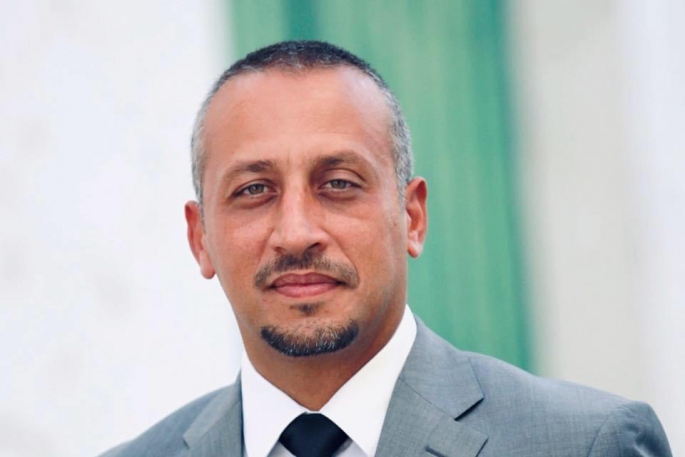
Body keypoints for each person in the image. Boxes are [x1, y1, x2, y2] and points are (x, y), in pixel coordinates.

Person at [101, 41, 671, 457]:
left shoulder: (586, 444)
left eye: (338, 183)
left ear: (412, 217)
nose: (296, 233)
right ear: (200, 238)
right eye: (254, 190)